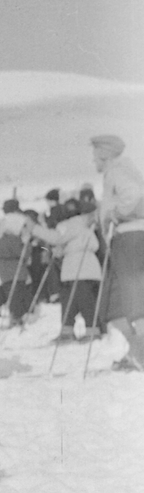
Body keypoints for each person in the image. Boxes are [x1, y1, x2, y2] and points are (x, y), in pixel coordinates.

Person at [91, 134, 144, 371]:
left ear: (104, 154)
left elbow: (133, 197)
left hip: (129, 238)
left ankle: (140, 355)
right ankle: (135, 352)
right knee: (117, 305)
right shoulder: (119, 170)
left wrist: (115, 213)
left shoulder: (118, 170)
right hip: (124, 239)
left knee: (134, 299)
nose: (94, 161)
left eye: (95, 155)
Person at [29, 197, 102, 341]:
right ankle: (78, 330)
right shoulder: (84, 225)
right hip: (80, 268)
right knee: (75, 300)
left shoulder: (70, 224)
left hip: (78, 268)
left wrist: (35, 229)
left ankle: (86, 331)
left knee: (77, 301)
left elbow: (56, 238)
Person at [0, 199, 33, 325]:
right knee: (17, 294)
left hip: (4, 270)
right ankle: (17, 317)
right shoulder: (21, 221)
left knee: (6, 290)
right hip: (17, 270)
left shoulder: (1, 233)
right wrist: (27, 245)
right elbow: (23, 253)